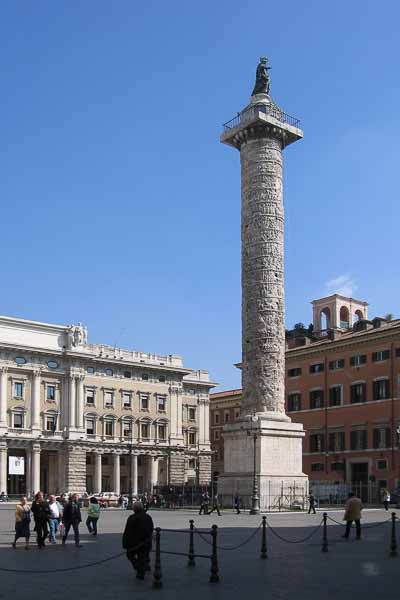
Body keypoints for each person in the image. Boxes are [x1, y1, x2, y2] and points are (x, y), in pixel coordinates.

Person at [122, 501, 154, 580]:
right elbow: (151, 529)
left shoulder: (132, 518)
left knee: (130, 555)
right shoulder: (148, 517)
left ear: (134, 509)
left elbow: (128, 532)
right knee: (143, 556)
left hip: (135, 543)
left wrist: (125, 543)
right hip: (146, 542)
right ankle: (144, 568)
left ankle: (140, 569)